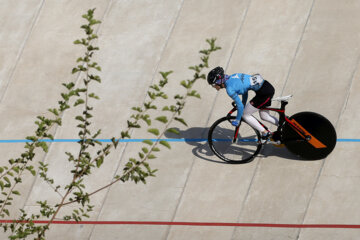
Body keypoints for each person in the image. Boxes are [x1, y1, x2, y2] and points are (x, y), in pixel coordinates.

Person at [207, 66, 279, 143]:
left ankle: (265, 133)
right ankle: (284, 125)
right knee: (265, 116)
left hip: (263, 93)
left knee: (245, 115)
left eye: (213, 85)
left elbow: (240, 106)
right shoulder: (234, 76)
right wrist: (243, 104)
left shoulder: (229, 89)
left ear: (218, 82)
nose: (214, 87)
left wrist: (237, 120)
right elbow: (245, 91)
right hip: (266, 87)